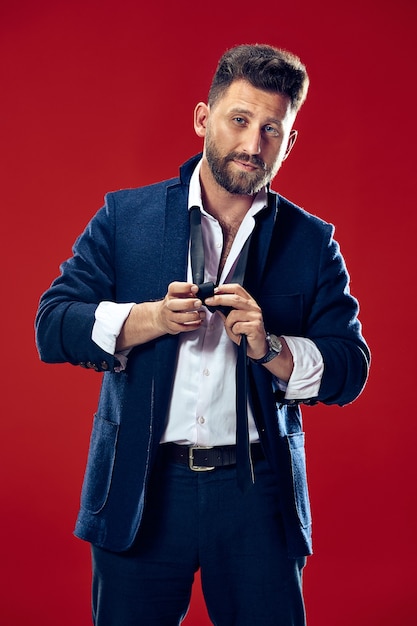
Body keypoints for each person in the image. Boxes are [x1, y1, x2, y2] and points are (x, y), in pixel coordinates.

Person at [35, 43, 370, 626]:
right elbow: (52, 325)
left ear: (289, 143)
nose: (251, 145)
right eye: (239, 120)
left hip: (257, 490)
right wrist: (150, 320)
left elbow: (350, 368)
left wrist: (273, 349)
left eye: (272, 129)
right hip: (141, 485)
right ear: (202, 118)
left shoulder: (313, 242)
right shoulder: (124, 218)